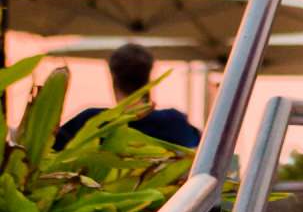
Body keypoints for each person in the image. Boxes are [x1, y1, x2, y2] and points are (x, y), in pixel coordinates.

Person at [54, 40, 202, 150]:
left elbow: (50, 150)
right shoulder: (174, 123)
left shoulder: (90, 122)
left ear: (112, 76)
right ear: (150, 75)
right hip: (169, 193)